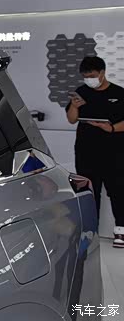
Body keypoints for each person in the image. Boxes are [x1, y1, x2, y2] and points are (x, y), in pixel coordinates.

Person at [66, 56, 124, 247]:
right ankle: (90, 232)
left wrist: (112, 128)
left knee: (118, 191)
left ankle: (121, 231)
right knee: (89, 193)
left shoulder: (119, 93)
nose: (88, 79)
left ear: (102, 73)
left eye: (91, 76)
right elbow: (72, 119)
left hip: (115, 152)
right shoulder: (81, 92)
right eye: (85, 76)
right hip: (86, 152)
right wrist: (74, 106)